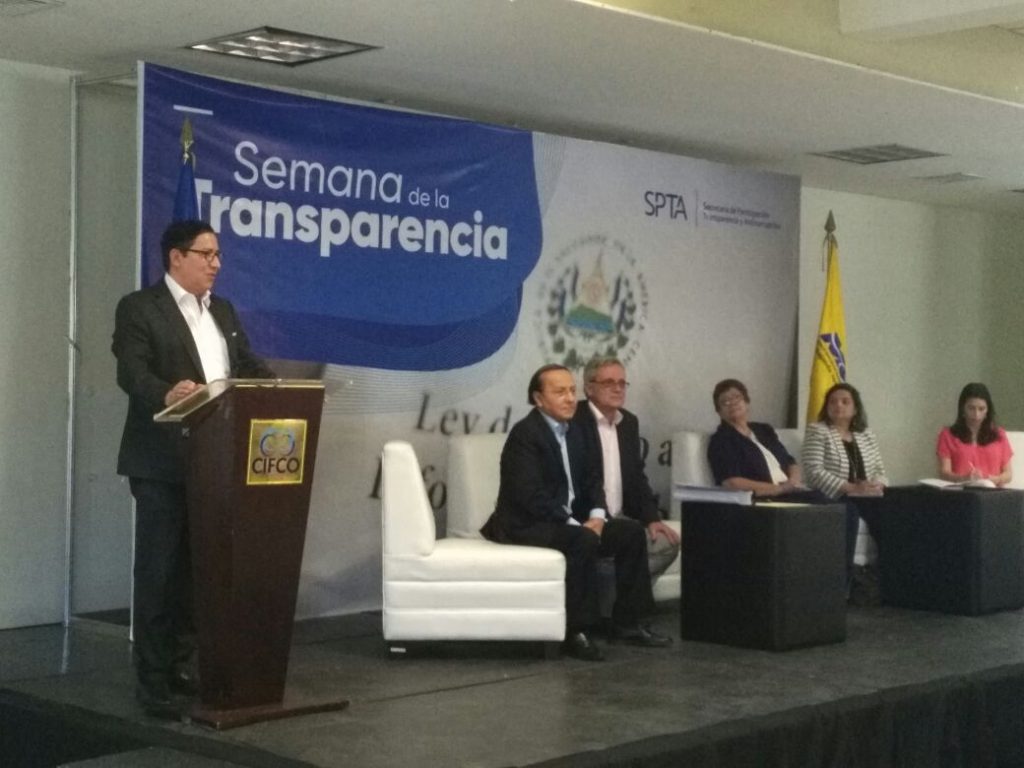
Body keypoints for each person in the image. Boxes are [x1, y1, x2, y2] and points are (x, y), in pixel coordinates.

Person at [112, 220, 274, 718]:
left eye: (218, 255)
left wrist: (277, 389)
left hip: (214, 461)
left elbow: (244, 365)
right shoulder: (140, 307)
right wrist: (166, 392)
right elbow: (131, 371)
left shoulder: (221, 310)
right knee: (159, 572)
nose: (216, 264)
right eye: (206, 254)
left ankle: (182, 667)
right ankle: (152, 679)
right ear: (176, 257)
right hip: (161, 461)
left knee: (194, 573)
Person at [481, 364, 670, 661]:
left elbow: (593, 480)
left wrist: (597, 516)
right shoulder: (525, 435)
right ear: (538, 399)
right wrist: (575, 524)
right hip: (527, 524)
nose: (570, 398)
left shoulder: (576, 430)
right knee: (582, 540)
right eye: (560, 392)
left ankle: (629, 623)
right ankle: (577, 631)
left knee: (630, 533)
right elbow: (530, 496)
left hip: (571, 520)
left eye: (571, 390)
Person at [572, 356, 680, 581]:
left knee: (665, 542)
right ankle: (618, 589)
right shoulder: (573, 419)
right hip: (587, 519)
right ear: (589, 388)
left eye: (622, 383)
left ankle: (611, 585)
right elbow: (578, 478)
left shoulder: (629, 422)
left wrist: (652, 519)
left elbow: (637, 477)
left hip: (623, 518)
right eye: (609, 383)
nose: (618, 388)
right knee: (625, 548)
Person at [802, 382, 886, 579]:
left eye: (845, 401)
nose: (838, 405)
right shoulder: (817, 431)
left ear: (855, 408)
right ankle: (844, 579)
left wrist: (877, 484)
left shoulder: (866, 434)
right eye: (833, 402)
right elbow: (814, 471)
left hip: (867, 495)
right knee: (849, 512)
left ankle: (884, 577)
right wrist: (851, 487)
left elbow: (879, 470)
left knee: (896, 509)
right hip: (834, 494)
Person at [707, 378, 823, 502]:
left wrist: (793, 482)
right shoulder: (721, 440)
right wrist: (779, 489)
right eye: (725, 402)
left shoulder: (764, 430)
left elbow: (789, 461)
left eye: (737, 397)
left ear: (747, 402)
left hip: (789, 492)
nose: (733, 403)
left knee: (823, 499)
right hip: (761, 499)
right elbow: (732, 483)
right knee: (819, 502)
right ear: (719, 412)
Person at [936, 382, 1013, 487]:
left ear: (987, 411)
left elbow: (1008, 474)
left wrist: (996, 479)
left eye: (981, 409)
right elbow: (944, 473)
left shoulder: (999, 435)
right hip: (962, 492)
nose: (976, 415)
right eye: (971, 408)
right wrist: (964, 478)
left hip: (993, 492)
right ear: (963, 408)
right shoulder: (947, 435)